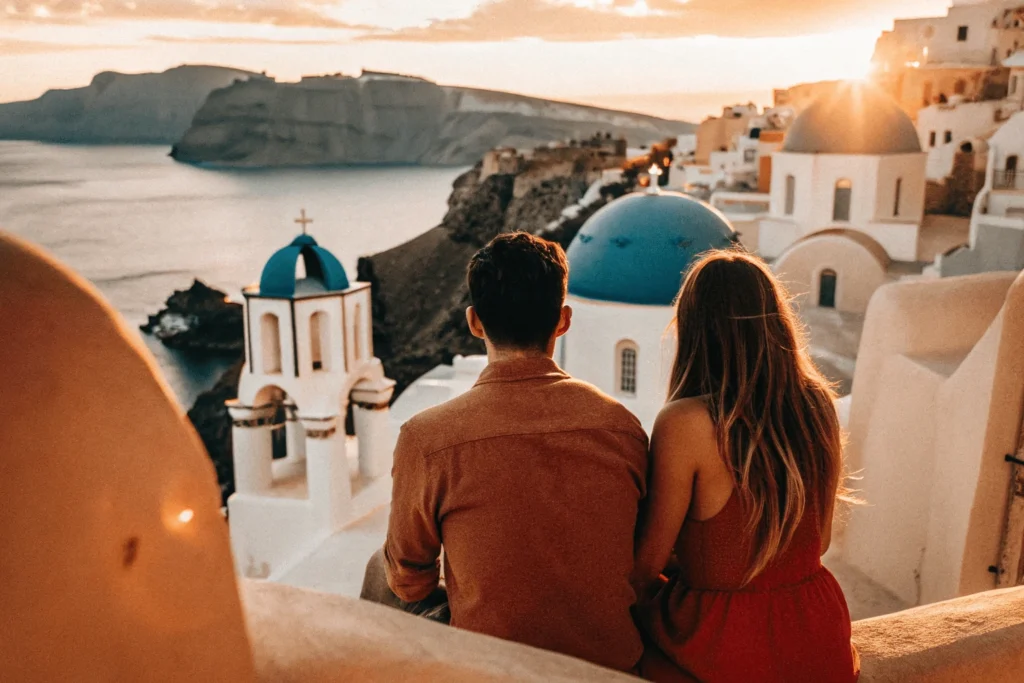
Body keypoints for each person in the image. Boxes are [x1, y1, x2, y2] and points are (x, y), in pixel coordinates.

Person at [361, 232, 649, 673]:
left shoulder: (428, 439)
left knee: (379, 571)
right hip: (607, 663)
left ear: (475, 323)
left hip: (493, 668)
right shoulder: (623, 428)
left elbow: (409, 582)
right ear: (563, 320)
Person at [633, 250, 859, 683]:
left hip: (726, 640)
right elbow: (821, 540)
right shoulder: (818, 405)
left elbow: (646, 566)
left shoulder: (686, 423)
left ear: (695, 330)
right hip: (816, 628)